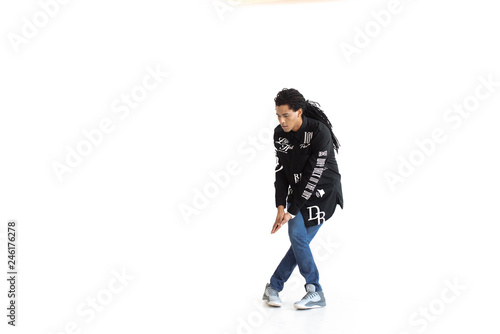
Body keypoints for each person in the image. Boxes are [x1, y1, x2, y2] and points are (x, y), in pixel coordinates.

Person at [262, 88, 343, 309]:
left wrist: (291, 210)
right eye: (278, 115)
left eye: (285, 115)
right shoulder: (280, 134)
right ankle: (287, 289)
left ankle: (288, 288)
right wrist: (280, 205)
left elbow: (313, 175)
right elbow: (281, 171)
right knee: (299, 239)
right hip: (297, 192)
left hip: (323, 193)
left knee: (299, 241)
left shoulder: (319, 132)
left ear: (299, 112)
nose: (281, 120)